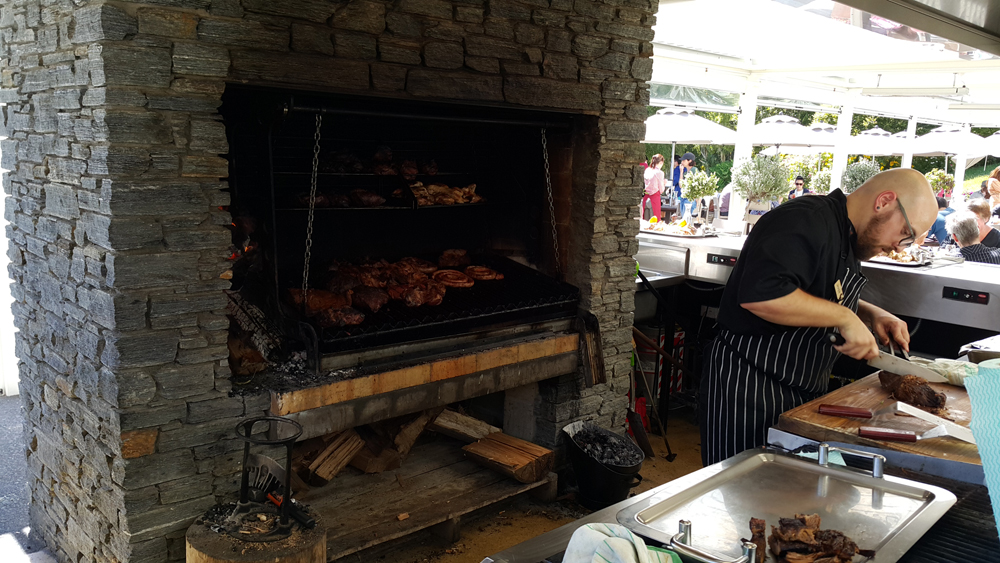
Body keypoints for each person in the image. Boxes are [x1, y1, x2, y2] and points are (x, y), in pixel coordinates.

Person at [699, 168, 938, 466]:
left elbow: (814, 287)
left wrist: (868, 311)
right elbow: (762, 295)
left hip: (798, 389)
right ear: (885, 201)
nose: (896, 248)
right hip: (748, 387)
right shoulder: (804, 219)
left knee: (782, 492)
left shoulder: (847, 236)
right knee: (736, 494)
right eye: (905, 235)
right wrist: (845, 317)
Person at [642, 154, 666, 221]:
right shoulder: (660, 173)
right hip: (654, 198)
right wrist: (664, 183)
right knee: (654, 222)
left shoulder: (647, 170)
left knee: (645, 221)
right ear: (661, 162)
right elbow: (661, 190)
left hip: (646, 197)